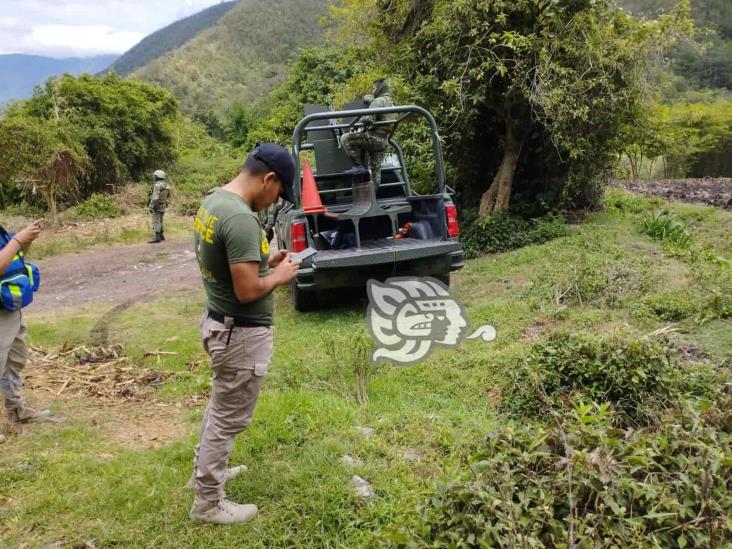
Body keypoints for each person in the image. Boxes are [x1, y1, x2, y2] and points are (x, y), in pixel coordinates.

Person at [190, 143, 301, 525]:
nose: (275, 201)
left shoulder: (215, 202)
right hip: (239, 332)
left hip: (220, 321)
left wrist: (264, 261)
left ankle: (205, 471)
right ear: (268, 179)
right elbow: (247, 290)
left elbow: (229, 264)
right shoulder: (240, 218)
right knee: (227, 417)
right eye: (279, 193)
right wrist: (280, 276)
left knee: (220, 406)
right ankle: (208, 501)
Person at [0, 220, 51, 424]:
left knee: (15, 360)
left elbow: (13, 259)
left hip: (9, 308)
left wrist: (25, 241)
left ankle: (17, 410)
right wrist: (18, 239)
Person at [340, 77, 396, 189]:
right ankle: (375, 196)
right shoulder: (390, 102)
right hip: (384, 140)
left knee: (345, 138)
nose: (372, 91)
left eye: (374, 88)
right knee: (376, 170)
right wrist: (371, 99)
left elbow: (367, 118)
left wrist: (355, 124)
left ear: (380, 88)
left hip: (374, 138)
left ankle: (358, 165)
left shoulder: (378, 101)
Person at [148, 169, 171, 244]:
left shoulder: (157, 185)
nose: (154, 177)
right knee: (161, 220)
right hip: (163, 204)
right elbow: (168, 196)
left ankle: (157, 237)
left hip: (157, 205)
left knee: (156, 220)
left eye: (155, 176)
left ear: (158, 176)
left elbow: (155, 197)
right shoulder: (166, 185)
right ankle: (161, 235)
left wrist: (151, 206)